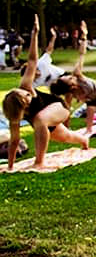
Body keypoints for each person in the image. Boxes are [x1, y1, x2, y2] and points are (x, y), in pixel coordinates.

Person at [3, 16, 89, 171]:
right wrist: (10, 166)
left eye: (27, 94)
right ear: (21, 108)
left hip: (58, 107)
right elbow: (14, 141)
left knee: (40, 119)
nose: (30, 94)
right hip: (45, 121)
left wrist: (35, 34)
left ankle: (39, 162)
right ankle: (84, 141)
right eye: (27, 98)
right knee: (66, 137)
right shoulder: (14, 117)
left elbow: (32, 60)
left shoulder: (25, 86)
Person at [49, 22, 96, 134]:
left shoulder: (77, 74)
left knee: (90, 102)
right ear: (71, 86)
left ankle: (89, 130)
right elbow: (67, 109)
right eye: (69, 78)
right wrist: (66, 128)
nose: (71, 76)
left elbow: (81, 54)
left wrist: (84, 36)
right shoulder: (70, 94)